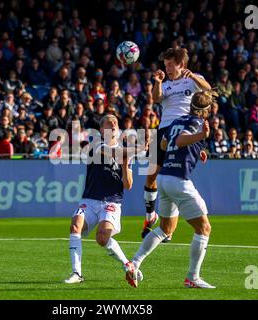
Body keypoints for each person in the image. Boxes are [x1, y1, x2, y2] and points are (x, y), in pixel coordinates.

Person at [126, 90, 216, 289]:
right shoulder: (198, 124)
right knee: (204, 228)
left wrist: (196, 149)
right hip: (178, 181)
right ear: (206, 110)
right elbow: (180, 140)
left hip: (164, 178)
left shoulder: (178, 120)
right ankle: (192, 277)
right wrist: (201, 136)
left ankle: (134, 263)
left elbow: (166, 143)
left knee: (166, 229)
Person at [142, 47, 211, 241]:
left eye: (171, 65)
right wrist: (157, 82)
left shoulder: (193, 78)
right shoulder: (166, 84)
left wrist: (195, 78)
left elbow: (208, 89)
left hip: (184, 129)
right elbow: (156, 99)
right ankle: (150, 216)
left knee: (174, 176)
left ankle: (167, 228)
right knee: (151, 176)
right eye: (166, 65)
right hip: (164, 130)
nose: (168, 68)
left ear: (181, 64)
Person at [64, 114, 136, 284]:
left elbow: (128, 185)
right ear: (102, 129)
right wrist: (136, 150)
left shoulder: (126, 152)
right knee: (75, 226)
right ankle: (77, 273)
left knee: (102, 238)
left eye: (116, 123)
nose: (113, 125)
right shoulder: (96, 144)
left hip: (112, 201)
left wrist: (126, 164)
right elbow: (110, 151)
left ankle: (128, 265)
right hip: (90, 199)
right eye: (109, 123)